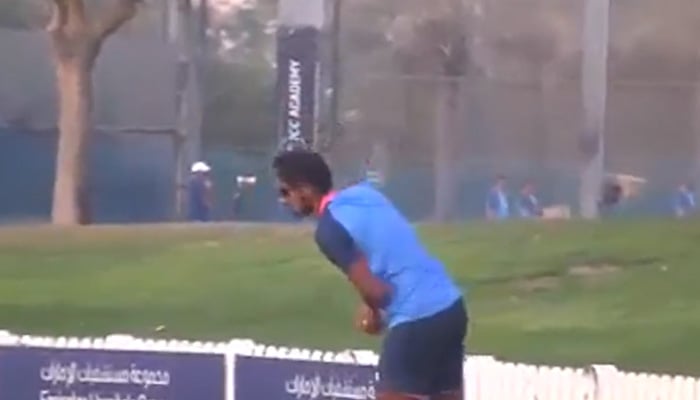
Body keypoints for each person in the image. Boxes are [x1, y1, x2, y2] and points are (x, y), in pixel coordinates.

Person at [272, 150, 468, 400]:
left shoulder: (329, 231)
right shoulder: (365, 194)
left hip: (415, 318)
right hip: (451, 308)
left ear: (305, 189)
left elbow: (377, 292)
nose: (283, 200)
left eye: (285, 192)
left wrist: (373, 314)